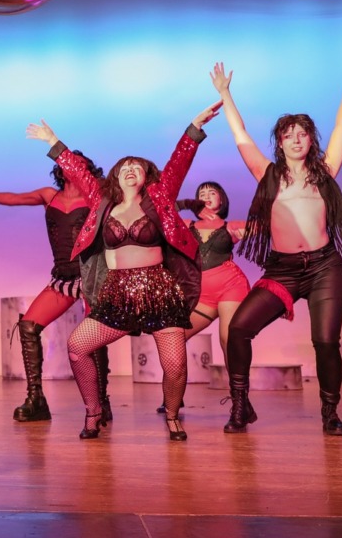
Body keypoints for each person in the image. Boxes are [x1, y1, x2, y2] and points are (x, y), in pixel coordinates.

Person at [26, 101, 221, 441]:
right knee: (78, 347)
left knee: (175, 365)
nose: (130, 169)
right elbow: (80, 173)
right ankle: (93, 411)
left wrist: (194, 129)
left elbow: (179, 163)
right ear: (115, 176)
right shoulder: (103, 202)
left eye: (137, 166)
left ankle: (172, 416)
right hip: (117, 292)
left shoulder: (159, 197)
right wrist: (53, 142)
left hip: (159, 290)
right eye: (124, 166)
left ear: (147, 175)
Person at [210, 57, 342, 437]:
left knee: (325, 341)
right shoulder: (266, 173)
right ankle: (240, 405)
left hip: (323, 268)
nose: (297, 139)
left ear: (311, 140)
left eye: (303, 134)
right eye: (289, 134)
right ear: (280, 142)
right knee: (239, 329)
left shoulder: (325, 171)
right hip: (282, 270)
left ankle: (330, 413)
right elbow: (240, 133)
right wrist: (225, 93)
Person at [0, 159, 114, 425]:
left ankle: (101, 401)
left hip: (91, 277)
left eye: (78, 163)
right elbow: (16, 198)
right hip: (62, 279)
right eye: (67, 162)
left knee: (94, 338)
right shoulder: (49, 195)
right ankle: (37, 400)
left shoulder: (95, 195)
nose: (71, 165)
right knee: (28, 325)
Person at [155, 181, 250, 413]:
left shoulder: (231, 226)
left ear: (221, 199)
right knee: (174, 337)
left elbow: (267, 228)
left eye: (212, 192)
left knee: (228, 340)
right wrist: (187, 204)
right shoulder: (187, 224)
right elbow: (159, 212)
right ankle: (174, 395)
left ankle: (240, 402)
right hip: (202, 294)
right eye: (201, 193)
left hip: (231, 286)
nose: (206, 196)